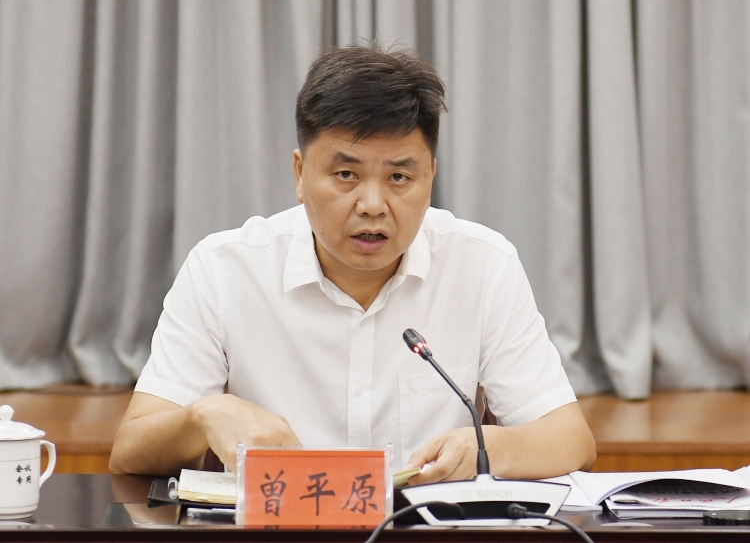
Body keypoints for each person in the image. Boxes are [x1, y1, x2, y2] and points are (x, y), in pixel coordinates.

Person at [109, 44, 596, 483]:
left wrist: (485, 449)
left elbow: (570, 439)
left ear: (430, 175)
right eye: (346, 174)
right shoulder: (223, 271)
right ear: (300, 174)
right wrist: (204, 416)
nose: (373, 205)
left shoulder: (482, 266)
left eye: (399, 178)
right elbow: (130, 451)